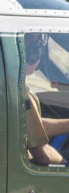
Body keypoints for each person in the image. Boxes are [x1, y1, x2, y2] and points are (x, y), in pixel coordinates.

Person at [24, 32, 69, 165]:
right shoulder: (23, 95)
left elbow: (33, 125)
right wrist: (66, 164)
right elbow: (42, 156)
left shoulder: (10, 86)